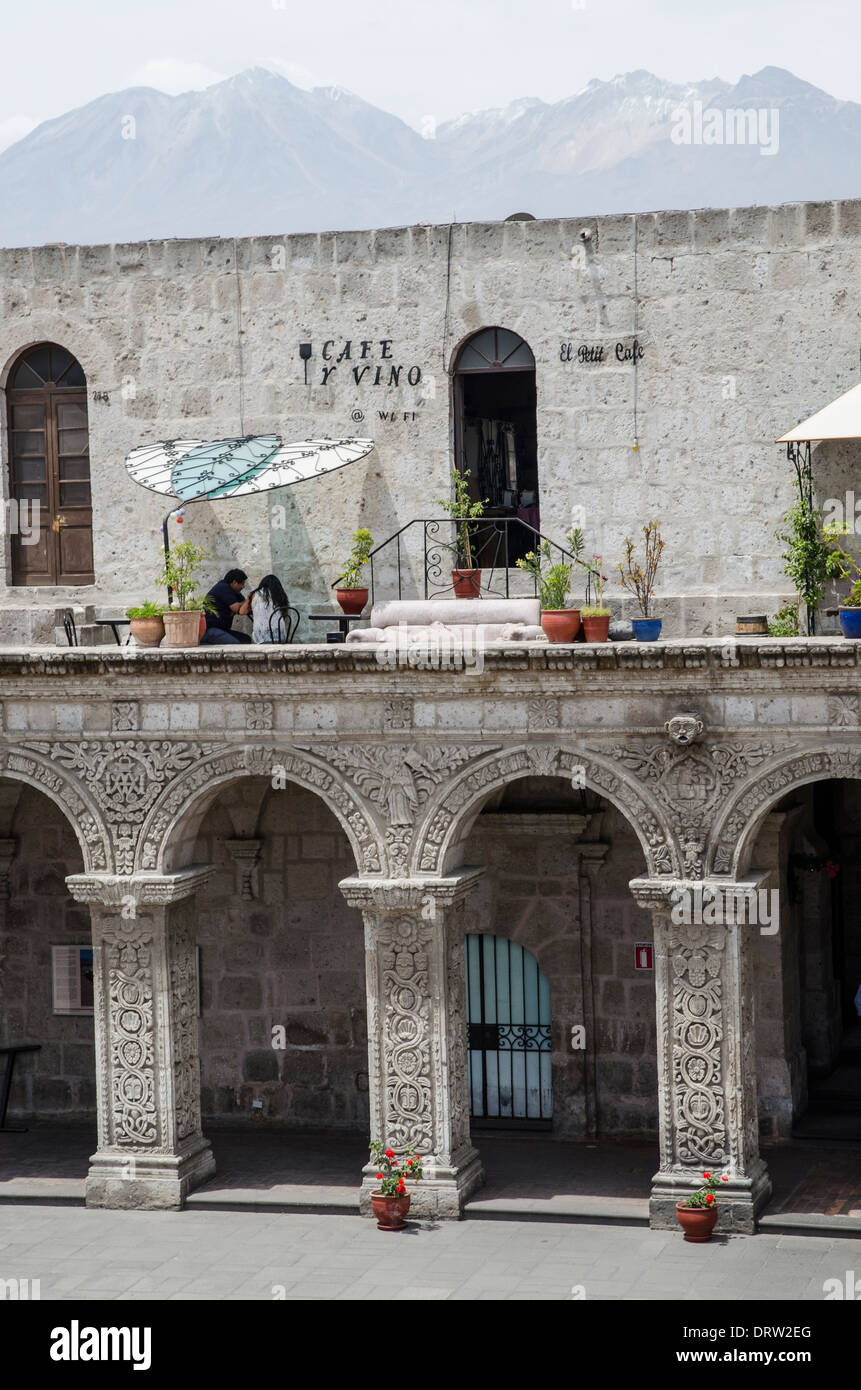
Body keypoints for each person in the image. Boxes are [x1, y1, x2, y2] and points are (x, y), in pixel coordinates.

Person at [200, 568, 253, 645]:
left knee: (246, 639)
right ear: (234, 582)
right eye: (242, 584)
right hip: (211, 630)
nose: (243, 586)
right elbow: (237, 608)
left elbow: (243, 607)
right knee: (235, 644)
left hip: (222, 629)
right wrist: (249, 599)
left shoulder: (235, 592)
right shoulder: (223, 587)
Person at [249, 573, 291, 643]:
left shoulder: (256, 594)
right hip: (281, 635)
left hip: (261, 637)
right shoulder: (280, 595)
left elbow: (242, 611)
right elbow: (284, 615)